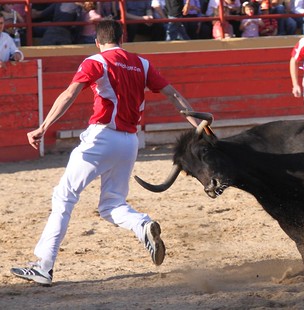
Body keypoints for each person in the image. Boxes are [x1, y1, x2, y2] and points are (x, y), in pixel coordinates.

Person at [10, 20, 196, 286]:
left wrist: (44, 126)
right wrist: (199, 125)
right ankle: (142, 224)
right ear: (123, 39)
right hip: (130, 142)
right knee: (112, 204)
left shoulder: (96, 61)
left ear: (97, 41)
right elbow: (174, 95)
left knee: (64, 196)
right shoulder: (142, 64)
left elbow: (69, 94)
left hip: (101, 137)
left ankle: (44, 265)